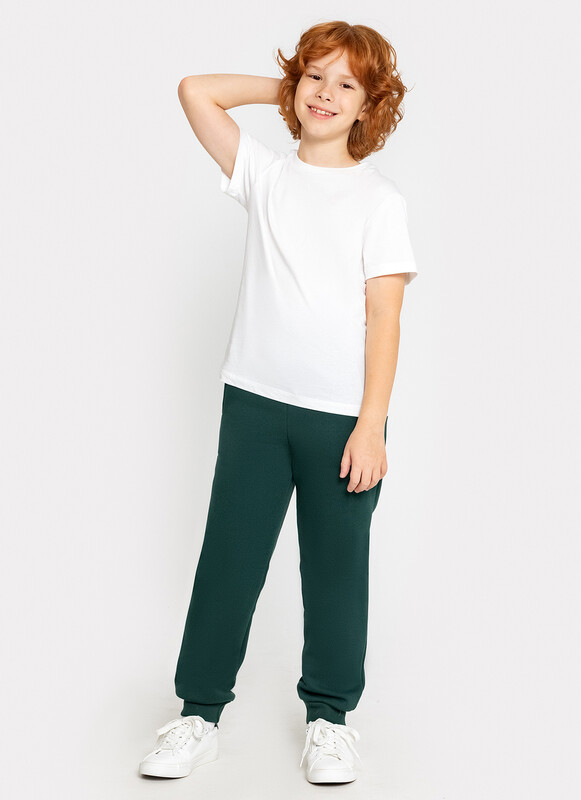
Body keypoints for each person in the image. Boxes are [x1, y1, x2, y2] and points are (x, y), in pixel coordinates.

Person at [139, 20, 418, 785]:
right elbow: (195, 92)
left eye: (346, 84)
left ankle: (330, 720)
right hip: (256, 407)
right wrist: (289, 89)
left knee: (335, 572)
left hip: (341, 419)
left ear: (371, 104)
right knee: (228, 562)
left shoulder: (380, 201)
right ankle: (198, 715)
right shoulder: (264, 174)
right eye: (315, 76)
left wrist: (370, 424)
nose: (326, 93)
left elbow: (386, 317)